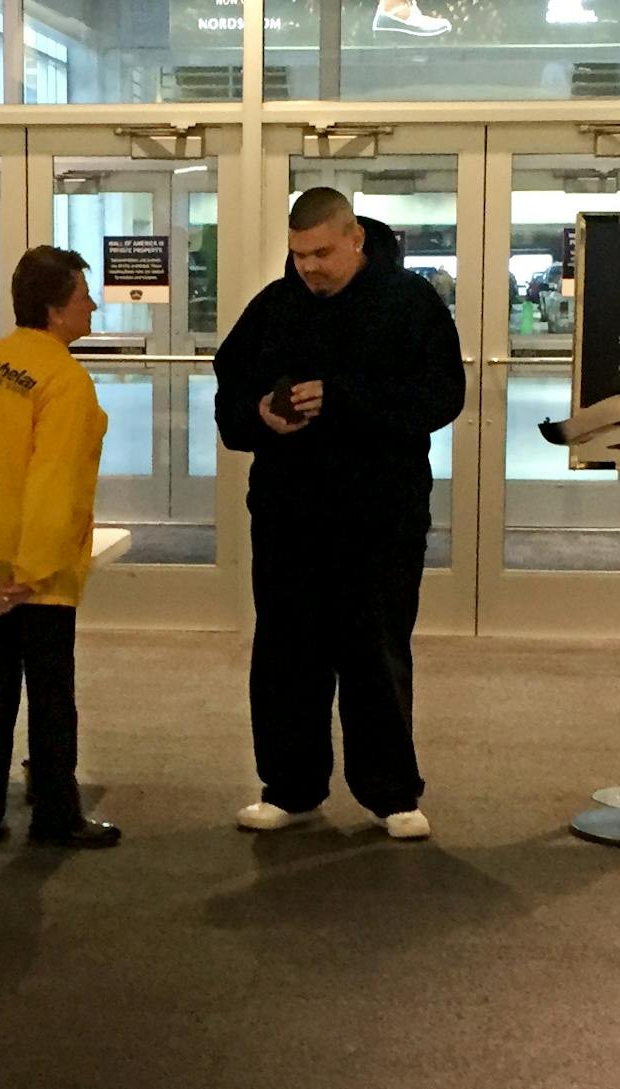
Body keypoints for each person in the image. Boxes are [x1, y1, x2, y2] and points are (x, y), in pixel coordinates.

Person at [213, 187, 465, 840]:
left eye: (322, 252)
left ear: (355, 238)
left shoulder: (411, 305)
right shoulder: (273, 308)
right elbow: (231, 394)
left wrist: (344, 398)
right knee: (285, 656)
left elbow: (443, 395)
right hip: (286, 518)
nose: (310, 267)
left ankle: (393, 793)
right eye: (298, 255)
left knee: (375, 655)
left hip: (380, 517)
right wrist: (258, 417)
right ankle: (290, 787)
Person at [0, 245, 120, 853]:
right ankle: (57, 815)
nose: (92, 306)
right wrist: (32, 575)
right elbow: (54, 482)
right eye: (83, 296)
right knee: (50, 695)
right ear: (57, 308)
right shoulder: (64, 378)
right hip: (30, 568)